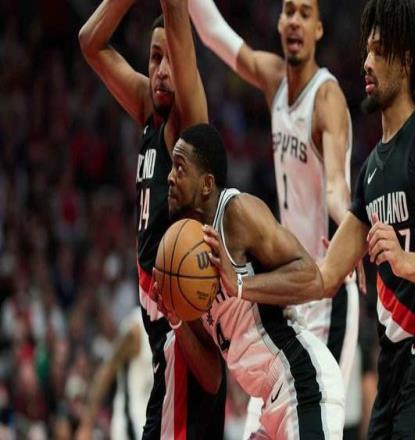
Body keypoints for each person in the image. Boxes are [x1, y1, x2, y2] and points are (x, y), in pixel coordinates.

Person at [186, 0, 365, 433]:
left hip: (326, 286)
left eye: (305, 13)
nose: (295, 21)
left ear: (319, 29)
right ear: (279, 22)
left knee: (319, 422)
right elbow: (212, 32)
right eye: (289, 11)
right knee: (266, 424)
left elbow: (337, 187)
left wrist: (353, 227)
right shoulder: (273, 79)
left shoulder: (327, 97)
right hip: (287, 283)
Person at [319, 0, 415, 437]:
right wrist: (246, 277)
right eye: (366, 51)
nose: (366, 63)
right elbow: (325, 275)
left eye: (379, 51)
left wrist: (405, 262)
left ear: (405, 61)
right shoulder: (370, 168)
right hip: (390, 363)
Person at [78, 0, 225, 438]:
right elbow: (90, 42)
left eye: (170, 59)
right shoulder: (148, 110)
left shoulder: (186, 123)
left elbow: (176, 12)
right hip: (163, 342)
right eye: (153, 57)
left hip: (184, 333)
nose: (161, 70)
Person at [155, 122, 345, 439]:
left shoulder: (237, 213)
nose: (170, 177)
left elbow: (311, 278)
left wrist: (241, 285)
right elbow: (213, 376)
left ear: (206, 184)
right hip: (264, 401)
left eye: (180, 167)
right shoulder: (186, 256)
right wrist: (176, 320)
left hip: (299, 380)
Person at [76, 308, 152, 439]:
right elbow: (107, 369)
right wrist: (86, 423)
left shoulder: (174, 323)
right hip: (132, 424)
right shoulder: (137, 327)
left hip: (156, 419)